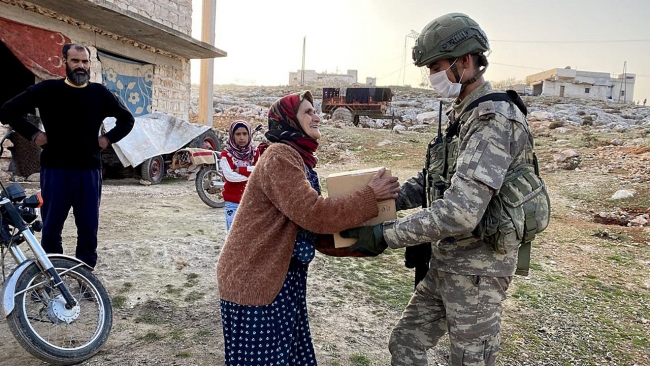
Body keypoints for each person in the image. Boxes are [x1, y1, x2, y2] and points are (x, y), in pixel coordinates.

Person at [341, 13, 549, 365]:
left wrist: (384, 235)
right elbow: (430, 180)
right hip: (447, 261)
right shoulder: (464, 113)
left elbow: (460, 212)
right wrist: (377, 197)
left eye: (437, 66)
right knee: (406, 344)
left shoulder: (493, 118)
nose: (432, 76)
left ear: (465, 61)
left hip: (477, 272)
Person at [216, 90, 400, 365]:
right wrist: (370, 197)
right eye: (307, 112)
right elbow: (315, 214)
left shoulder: (297, 160)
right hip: (253, 281)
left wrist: (361, 244)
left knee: (291, 357)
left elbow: (307, 230)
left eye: (315, 111)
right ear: (289, 120)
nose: (317, 116)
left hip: (279, 280)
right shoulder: (280, 157)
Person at [0, 43, 134, 269]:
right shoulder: (47, 90)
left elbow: (127, 120)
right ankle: (52, 275)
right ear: (65, 62)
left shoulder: (99, 93)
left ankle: (86, 276)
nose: (81, 66)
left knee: (88, 228)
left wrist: (106, 140)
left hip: (89, 171)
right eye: (75, 61)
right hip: (56, 170)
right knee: (52, 228)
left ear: (89, 64)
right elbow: (7, 110)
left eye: (85, 62)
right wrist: (34, 134)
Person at [219, 120, 259, 232]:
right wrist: (253, 174)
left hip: (253, 202)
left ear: (249, 135)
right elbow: (229, 177)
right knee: (233, 236)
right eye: (238, 134)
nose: (242, 137)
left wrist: (241, 169)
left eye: (245, 134)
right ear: (232, 136)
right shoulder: (226, 154)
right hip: (233, 203)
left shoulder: (255, 153)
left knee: (252, 236)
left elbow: (260, 172)